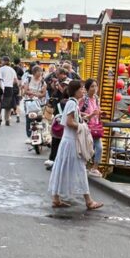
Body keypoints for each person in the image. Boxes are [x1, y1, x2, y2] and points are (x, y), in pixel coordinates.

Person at [48, 80, 103, 211]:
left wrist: (85, 119)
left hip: (68, 141)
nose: (83, 91)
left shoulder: (72, 103)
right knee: (80, 169)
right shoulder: (72, 103)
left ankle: (56, 198)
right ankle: (88, 201)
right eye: (82, 89)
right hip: (72, 142)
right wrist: (82, 126)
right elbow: (69, 122)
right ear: (76, 90)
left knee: (62, 168)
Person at [80, 78, 104, 176]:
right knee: (87, 147)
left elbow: (97, 110)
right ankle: (84, 166)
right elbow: (78, 112)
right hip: (87, 126)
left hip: (96, 126)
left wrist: (100, 113)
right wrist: (89, 115)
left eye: (96, 86)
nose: (94, 89)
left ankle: (94, 168)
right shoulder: (83, 99)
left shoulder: (96, 98)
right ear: (87, 88)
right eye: (92, 86)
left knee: (99, 147)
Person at [22, 64, 48, 137]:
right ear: (34, 72)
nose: (40, 73)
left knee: (38, 118)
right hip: (29, 102)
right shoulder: (28, 79)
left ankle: (37, 134)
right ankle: (29, 135)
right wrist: (36, 94)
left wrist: (35, 94)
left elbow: (43, 94)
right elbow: (25, 90)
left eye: (40, 72)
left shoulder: (43, 82)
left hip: (39, 103)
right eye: (38, 72)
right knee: (29, 118)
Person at [0, 57, 17, 127]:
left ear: (4, 61)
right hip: (10, 88)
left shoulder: (1, 69)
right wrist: (10, 82)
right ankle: (7, 119)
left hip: (2, 88)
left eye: (2, 61)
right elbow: (15, 80)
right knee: (8, 106)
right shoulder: (12, 70)